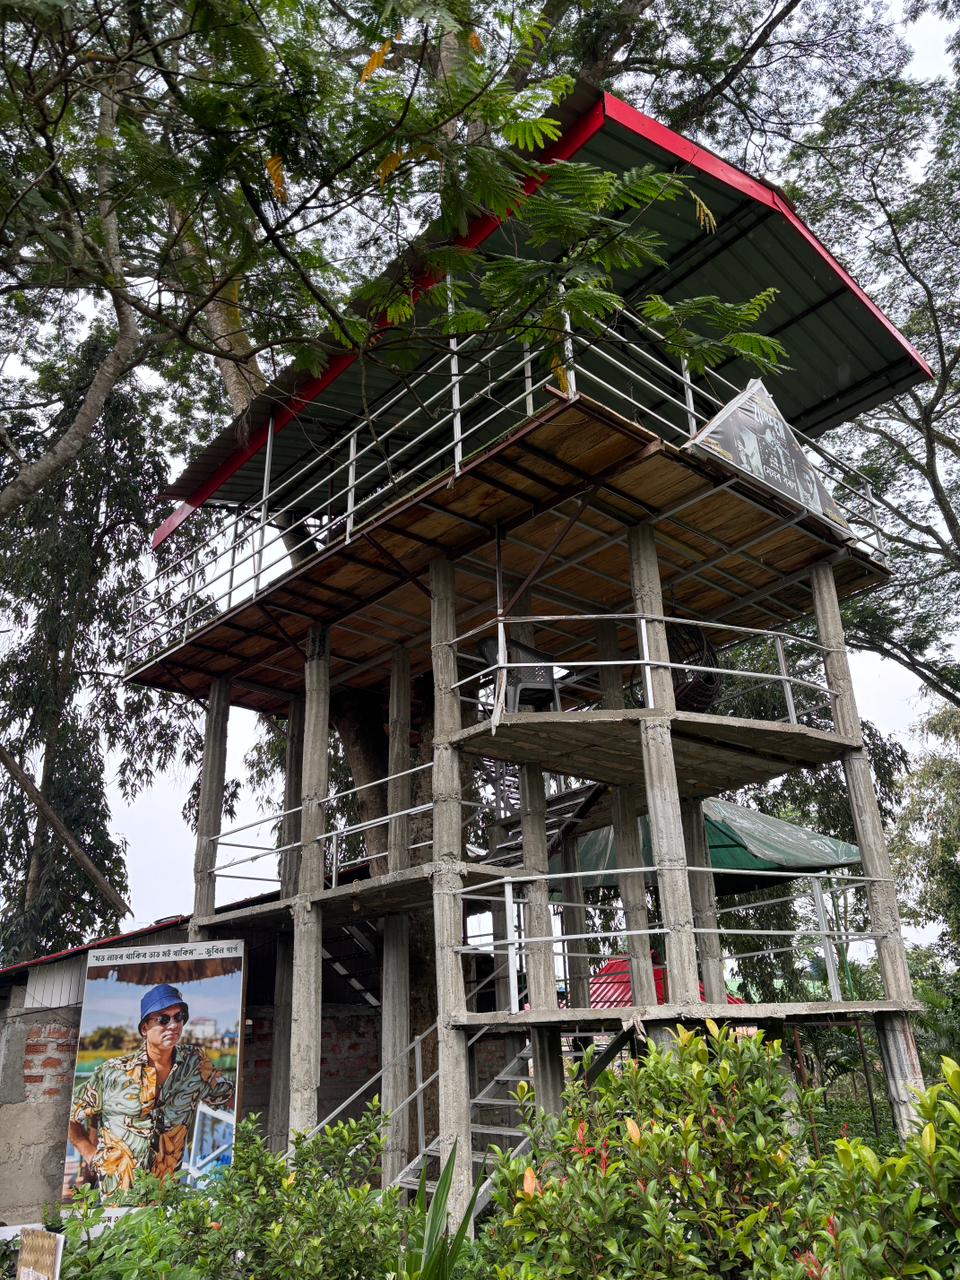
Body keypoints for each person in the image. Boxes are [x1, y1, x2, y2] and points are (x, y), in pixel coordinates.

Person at [67, 983, 234, 1200]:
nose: (173, 1025)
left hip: (167, 1193)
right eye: (163, 1019)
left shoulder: (195, 1064)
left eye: (179, 1017)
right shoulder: (113, 1073)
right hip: (118, 1195)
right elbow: (72, 1114)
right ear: (144, 1028)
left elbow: (226, 1096)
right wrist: (90, 1154)